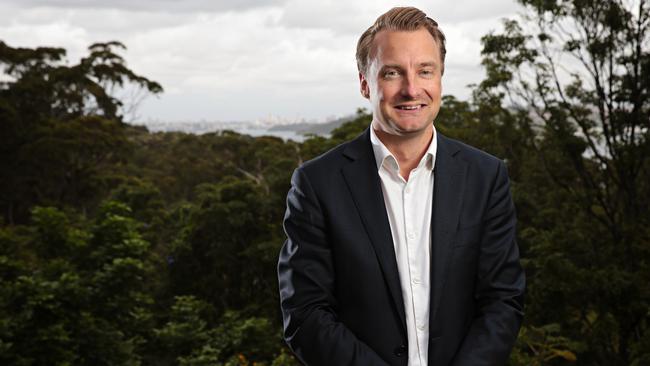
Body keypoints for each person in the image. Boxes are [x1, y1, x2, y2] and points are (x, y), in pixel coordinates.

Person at [277, 6, 525, 366]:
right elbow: (305, 314)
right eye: (392, 73)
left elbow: (503, 300)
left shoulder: (485, 176)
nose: (412, 89)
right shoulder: (317, 184)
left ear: (440, 78)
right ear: (365, 83)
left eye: (425, 71)